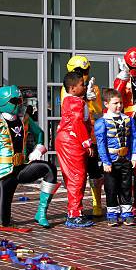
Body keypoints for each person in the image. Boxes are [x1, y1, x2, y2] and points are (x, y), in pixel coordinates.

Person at [0, 85, 59, 228]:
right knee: (2, 223)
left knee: (49, 169)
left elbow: (39, 133)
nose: (19, 103)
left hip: (22, 167)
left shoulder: (24, 118)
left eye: (20, 100)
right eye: (15, 100)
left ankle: (41, 213)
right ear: (2, 102)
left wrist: (38, 148)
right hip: (4, 173)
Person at [62, 55, 105, 217]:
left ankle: (97, 203)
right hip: (76, 139)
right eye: (80, 71)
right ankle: (74, 209)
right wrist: (85, 97)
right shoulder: (69, 87)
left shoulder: (94, 88)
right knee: (76, 176)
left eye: (85, 71)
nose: (84, 74)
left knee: (95, 172)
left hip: (91, 135)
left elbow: (99, 110)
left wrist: (91, 99)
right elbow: (71, 110)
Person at [94, 89, 136, 227]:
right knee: (111, 187)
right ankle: (112, 214)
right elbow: (101, 144)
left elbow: (134, 138)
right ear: (107, 104)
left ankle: (126, 213)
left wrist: (134, 155)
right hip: (111, 160)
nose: (119, 106)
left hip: (125, 158)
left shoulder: (128, 119)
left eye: (120, 103)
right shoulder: (102, 122)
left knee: (126, 187)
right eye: (115, 103)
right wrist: (105, 161)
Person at [56, 71, 94, 228]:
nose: (84, 87)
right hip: (72, 141)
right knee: (77, 177)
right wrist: (86, 142)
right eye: (82, 85)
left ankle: (75, 210)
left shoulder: (71, 100)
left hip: (67, 140)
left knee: (73, 177)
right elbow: (78, 122)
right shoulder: (76, 103)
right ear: (72, 88)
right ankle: (74, 214)